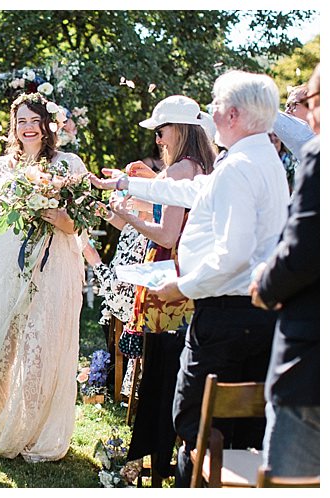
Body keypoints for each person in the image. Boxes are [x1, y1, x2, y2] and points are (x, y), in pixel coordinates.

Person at [90, 70, 290, 486]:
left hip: (226, 316)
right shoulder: (255, 157)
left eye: (214, 106)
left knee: (194, 422)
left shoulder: (239, 166)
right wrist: (128, 183)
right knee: (236, 428)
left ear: (232, 114)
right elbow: (192, 191)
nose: (208, 114)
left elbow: (231, 255)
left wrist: (182, 286)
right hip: (254, 314)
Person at [0, 92, 88, 463]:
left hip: (49, 265)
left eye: (35, 120)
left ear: (49, 125)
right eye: (21, 121)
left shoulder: (68, 164)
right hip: (1, 265)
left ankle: (30, 429)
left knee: (38, 346)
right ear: (13, 127)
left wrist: (52, 216)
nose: (28, 128)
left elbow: (78, 225)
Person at [105, 95, 217, 481]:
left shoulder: (182, 169)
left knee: (161, 373)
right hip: (187, 277)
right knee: (169, 371)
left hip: (167, 280)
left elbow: (168, 234)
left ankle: (153, 456)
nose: (158, 140)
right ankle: (158, 454)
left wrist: (123, 214)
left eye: (162, 130)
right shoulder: (202, 166)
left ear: (181, 130)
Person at [250, 63, 320, 479]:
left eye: (310, 104)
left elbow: (303, 250)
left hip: (312, 362)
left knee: (291, 482)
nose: (308, 117)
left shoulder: (319, 153)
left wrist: (265, 283)